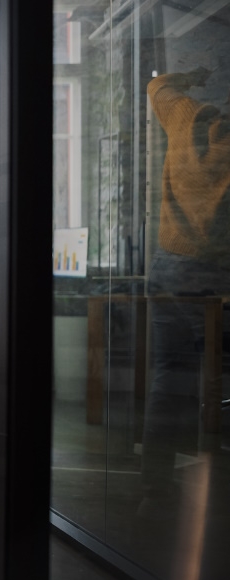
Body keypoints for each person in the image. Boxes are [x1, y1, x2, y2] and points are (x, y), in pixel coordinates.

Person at [141, 69, 230, 511]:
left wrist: (192, 76)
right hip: (211, 277)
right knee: (213, 379)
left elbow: (156, 85)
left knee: (167, 378)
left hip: (166, 266)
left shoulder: (186, 117)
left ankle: (155, 488)